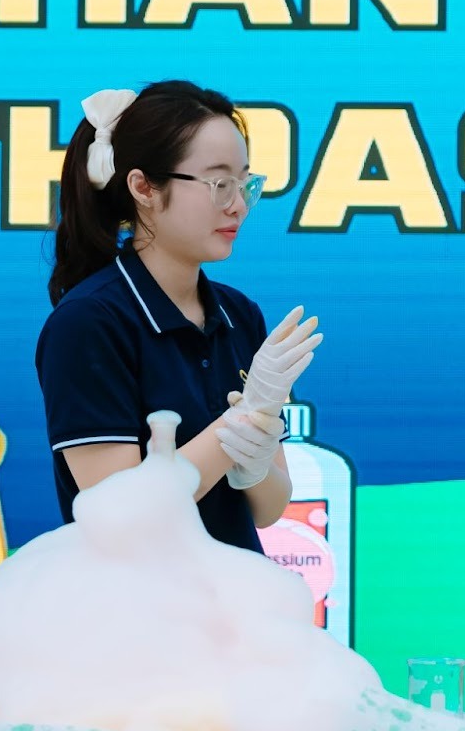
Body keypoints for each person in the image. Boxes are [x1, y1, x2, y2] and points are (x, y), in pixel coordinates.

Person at [37, 80, 320, 552]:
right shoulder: (88, 324)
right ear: (144, 187)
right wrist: (239, 423)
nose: (238, 205)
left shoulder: (239, 313)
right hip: (136, 595)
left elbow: (269, 509)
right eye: (219, 184)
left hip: (237, 587)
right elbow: (122, 518)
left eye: (244, 183)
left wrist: (254, 462)